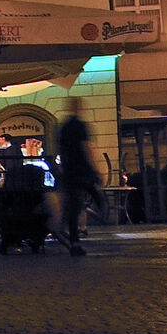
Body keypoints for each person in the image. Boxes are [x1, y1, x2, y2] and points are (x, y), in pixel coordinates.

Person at [55, 98, 102, 256]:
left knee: (73, 208)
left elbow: (60, 150)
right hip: (82, 170)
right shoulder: (80, 125)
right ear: (78, 108)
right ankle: (101, 212)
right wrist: (95, 169)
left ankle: (74, 242)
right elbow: (86, 147)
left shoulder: (63, 127)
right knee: (92, 192)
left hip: (68, 172)